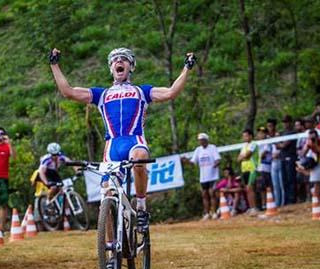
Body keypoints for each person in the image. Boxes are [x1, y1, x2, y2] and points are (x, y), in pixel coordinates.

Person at [49, 47, 195, 231]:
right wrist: (54, 65)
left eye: (124, 59)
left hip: (134, 141)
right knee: (107, 198)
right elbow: (67, 91)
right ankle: (110, 252)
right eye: (115, 60)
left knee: (140, 157)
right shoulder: (101, 94)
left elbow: (171, 92)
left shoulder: (142, 91)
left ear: (131, 67)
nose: (119, 61)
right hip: (112, 147)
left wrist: (186, 68)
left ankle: (141, 207)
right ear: (111, 68)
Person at [32, 142, 74, 225]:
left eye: (57, 154)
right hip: (46, 174)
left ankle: (66, 210)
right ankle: (48, 202)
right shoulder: (46, 160)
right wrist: (47, 183)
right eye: (53, 155)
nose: (55, 157)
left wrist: (78, 170)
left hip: (54, 173)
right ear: (50, 154)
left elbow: (71, 162)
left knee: (63, 189)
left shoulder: (61, 156)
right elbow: (41, 172)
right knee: (53, 187)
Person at [182, 133, 221, 220]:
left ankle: (214, 212)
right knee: (204, 194)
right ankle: (207, 213)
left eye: (202, 140)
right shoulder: (198, 150)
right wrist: (186, 161)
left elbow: (218, 159)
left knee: (212, 193)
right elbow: (193, 162)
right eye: (200, 140)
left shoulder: (212, 148)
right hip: (203, 177)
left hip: (212, 175)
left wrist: (216, 164)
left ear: (207, 140)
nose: (201, 142)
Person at [276, 115, 297, 205]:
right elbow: (279, 145)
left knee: (290, 179)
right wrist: (278, 143)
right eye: (284, 122)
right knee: (284, 180)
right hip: (282, 158)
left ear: (290, 122)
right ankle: (287, 200)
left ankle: (292, 199)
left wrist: (278, 143)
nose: (285, 124)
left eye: (287, 122)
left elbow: (283, 145)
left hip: (290, 157)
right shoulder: (282, 133)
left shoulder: (292, 132)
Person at [237, 129, 257, 214]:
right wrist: (242, 157)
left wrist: (243, 157)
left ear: (250, 136)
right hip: (244, 169)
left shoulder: (253, 144)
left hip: (251, 168)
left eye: (246, 136)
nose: (244, 138)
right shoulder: (244, 146)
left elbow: (247, 155)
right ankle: (251, 207)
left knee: (250, 187)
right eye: (243, 136)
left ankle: (254, 207)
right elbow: (238, 159)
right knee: (247, 189)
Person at [267, 119, 284, 207]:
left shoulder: (278, 135)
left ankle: (283, 202)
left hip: (280, 160)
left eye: (271, 126)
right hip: (273, 161)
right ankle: (277, 203)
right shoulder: (267, 138)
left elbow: (282, 146)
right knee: (275, 184)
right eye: (268, 126)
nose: (269, 128)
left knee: (282, 184)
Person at [255, 127, 272, 210]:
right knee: (260, 187)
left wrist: (257, 158)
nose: (261, 134)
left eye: (263, 133)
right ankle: (262, 204)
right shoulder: (256, 143)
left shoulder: (267, 142)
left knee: (266, 186)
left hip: (265, 167)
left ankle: (268, 203)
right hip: (259, 167)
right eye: (259, 133)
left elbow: (264, 153)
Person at [295, 119, 311, 202]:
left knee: (307, 179)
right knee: (299, 180)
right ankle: (301, 197)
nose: (296, 127)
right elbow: (298, 148)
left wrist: (303, 152)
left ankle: (309, 196)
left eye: (298, 125)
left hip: (307, 158)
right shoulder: (299, 135)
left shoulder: (307, 133)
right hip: (300, 159)